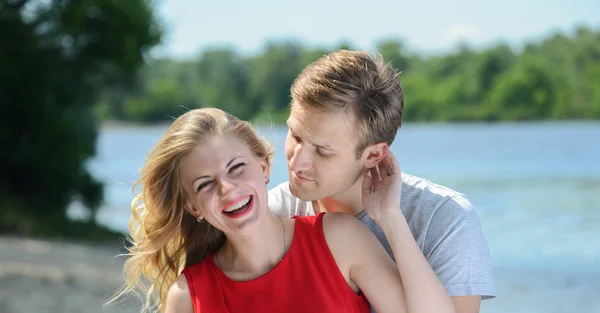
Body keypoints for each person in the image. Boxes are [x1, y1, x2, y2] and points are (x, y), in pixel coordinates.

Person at [111, 108, 456, 313]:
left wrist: (390, 217)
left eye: (236, 168)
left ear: (263, 167)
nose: (227, 189)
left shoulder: (338, 238)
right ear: (192, 206)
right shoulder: (188, 296)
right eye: (204, 184)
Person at [268, 50, 496, 313]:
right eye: (295, 136)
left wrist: (390, 219)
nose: (296, 162)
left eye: (322, 151)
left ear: (373, 154)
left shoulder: (445, 219)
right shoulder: (275, 212)